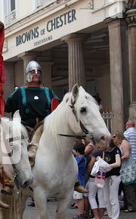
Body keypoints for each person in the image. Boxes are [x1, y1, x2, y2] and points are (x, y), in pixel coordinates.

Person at [5, 60, 87, 194]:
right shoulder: (20, 92)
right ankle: (10, 179)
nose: (36, 74)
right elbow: (7, 106)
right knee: (16, 148)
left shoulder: (48, 92)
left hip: (46, 126)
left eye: (38, 72)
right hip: (26, 127)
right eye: (33, 72)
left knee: (64, 147)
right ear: (27, 74)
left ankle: (74, 179)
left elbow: (59, 107)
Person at [113, 132, 136, 213]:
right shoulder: (118, 144)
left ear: (119, 136)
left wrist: (118, 160)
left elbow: (127, 155)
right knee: (125, 188)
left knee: (129, 188)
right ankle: (126, 205)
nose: (113, 138)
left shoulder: (124, 143)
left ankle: (132, 206)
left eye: (114, 136)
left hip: (128, 168)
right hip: (123, 168)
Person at [100, 139, 121, 219]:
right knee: (106, 199)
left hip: (114, 175)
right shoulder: (105, 151)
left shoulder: (116, 150)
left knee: (113, 198)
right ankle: (110, 217)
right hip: (106, 176)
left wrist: (108, 166)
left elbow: (118, 163)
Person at [87, 146, 106, 219]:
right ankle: (101, 217)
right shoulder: (106, 154)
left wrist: (89, 173)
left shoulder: (96, 153)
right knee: (101, 197)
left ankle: (96, 217)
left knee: (91, 196)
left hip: (93, 178)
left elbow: (91, 165)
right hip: (102, 177)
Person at [72, 142, 88, 219]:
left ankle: (82, 214)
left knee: (79, 198)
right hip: (74, 180)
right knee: (76, 198)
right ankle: (80, 212)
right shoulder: (77, 157)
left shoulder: (82, 159)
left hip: (80, 181)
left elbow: (75, 166)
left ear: (78, 150)